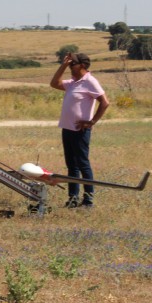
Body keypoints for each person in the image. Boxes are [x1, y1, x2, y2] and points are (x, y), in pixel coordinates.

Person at [50, 52, 110, 208]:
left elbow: (104, 102)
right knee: (71, 166)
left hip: (79, 131)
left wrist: (92, 122)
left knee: (83, 164)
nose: (70, 66)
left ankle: (88, 200)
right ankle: (72, 199)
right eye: (69, 64)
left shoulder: (90, 81)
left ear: (82, 65)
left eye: (72, 64)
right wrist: (63, 65)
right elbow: (54, 83)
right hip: (67, 128)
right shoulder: (73, 82)